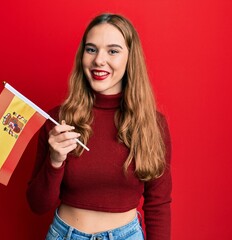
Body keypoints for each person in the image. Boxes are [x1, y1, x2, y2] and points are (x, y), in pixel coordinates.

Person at [26, 13, 172, 240]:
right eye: (91, 49)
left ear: (130, 58)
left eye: (112, 51)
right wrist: (54, 161)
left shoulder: (152, 125)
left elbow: (158, 203)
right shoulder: (59, 120)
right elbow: (37, 204)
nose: (98, 60)